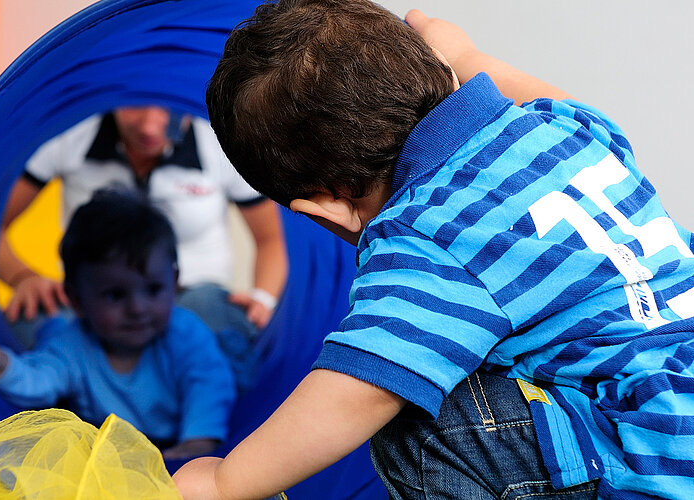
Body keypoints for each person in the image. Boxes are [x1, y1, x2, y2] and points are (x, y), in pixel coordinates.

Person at [172, 1, 694, 498]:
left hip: (661, 444)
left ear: (326, 209)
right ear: (444, 75)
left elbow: (362, 384)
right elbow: (497, 82)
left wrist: (226, 482)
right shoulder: (564, 126)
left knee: (419, 423)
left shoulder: (426, 236)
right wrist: (463, 55)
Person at [0, 106, 287, 390]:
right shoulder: (73, 133)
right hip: (100, 304)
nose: (149, 126)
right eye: (135, 108)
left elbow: (272, 238)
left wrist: (263, 301)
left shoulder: (219, 143)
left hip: (191, 303)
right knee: (31, 319)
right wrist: (22, 277)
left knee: (223, 317)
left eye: (166, 110)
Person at [0, 190, 236, 460]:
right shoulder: (71, 343)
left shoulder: (185, 334)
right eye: (115, 295)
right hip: (113, 455)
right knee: (35, 324)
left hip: (178, 441)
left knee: (226, 343)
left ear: (174, 282)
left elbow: (209, 385)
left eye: (154, 289)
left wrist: (197, 442)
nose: (137, 308)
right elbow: (40, 381)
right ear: (76, 299)